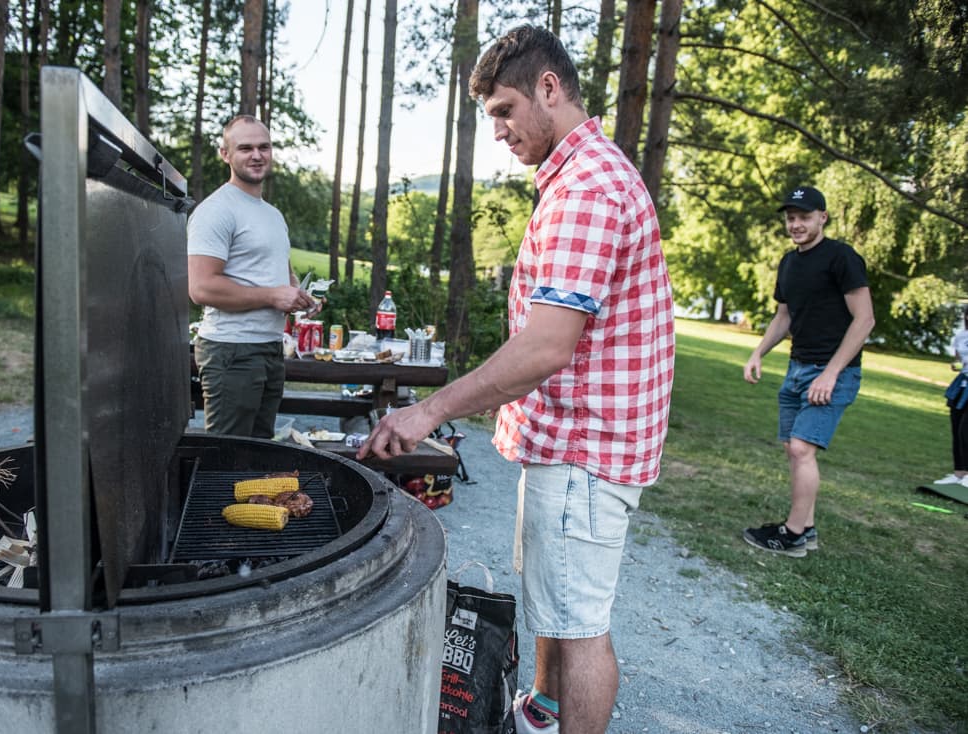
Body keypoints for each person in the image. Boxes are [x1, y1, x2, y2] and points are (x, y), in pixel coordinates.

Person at [357, 25, 675, 734]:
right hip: (572, 440)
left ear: (549, 89)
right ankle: (542, 709)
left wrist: (426, 412)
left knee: (582, 622)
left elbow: (544, 349)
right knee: (555, 604)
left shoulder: (587, 187)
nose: (497, 130)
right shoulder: (582, 173)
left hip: (586, 449)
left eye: (504, 110)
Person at [742, 186, 875, 557]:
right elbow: (783, 316)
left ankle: (793, 533)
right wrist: (758, 353)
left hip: (833, 372)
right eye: (791, 218)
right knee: (794, 449)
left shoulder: (841, 258)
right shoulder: (789, 262)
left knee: (801, 449)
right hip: (797, 368)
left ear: (822, 218)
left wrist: (830, 373)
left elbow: (864, 321)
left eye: (804, 217)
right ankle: (807, 528)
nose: (796, 224)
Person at [187, 115, 319, 438]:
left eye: (264, 147)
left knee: (260, 457)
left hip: (270, 349)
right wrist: (273, 296)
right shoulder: (216, 210)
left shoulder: (272, 215)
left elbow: (282, 277)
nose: (257, 155)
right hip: (230, 350)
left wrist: (299, 297)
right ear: (225, 154)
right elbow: (202, 287)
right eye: (245, 148)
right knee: (228, 461)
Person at [933, 307, 968, 486]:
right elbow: (958, 359)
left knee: (965, 430)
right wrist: (957, 364)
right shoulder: (961, 336)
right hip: (962, 385)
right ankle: (959, 473)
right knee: (956, 428)